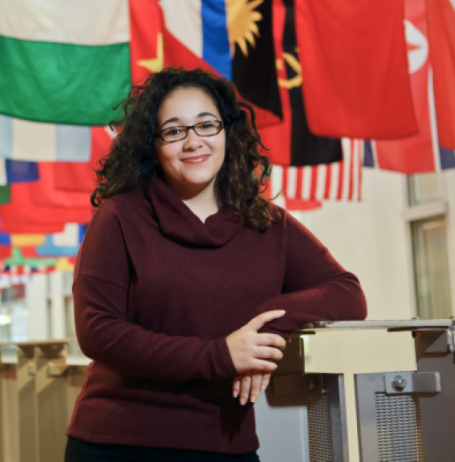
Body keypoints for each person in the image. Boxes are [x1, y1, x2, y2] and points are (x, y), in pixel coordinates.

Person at [64, 67, 367, 461]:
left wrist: (266, 325)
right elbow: (98, 332)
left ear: (228, 132)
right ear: (151, 145)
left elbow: (347, 293)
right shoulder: (120, 216)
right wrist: (222, 355)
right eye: (174, 131)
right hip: (119, 443)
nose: (193, 142)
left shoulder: (268, 223)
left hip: (226, 445)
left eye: (207, 125)